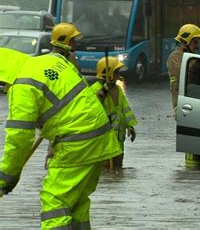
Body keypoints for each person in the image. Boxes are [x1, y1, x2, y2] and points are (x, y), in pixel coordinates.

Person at [0, 47, 122, 229]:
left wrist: (6, 177)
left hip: (76, 143)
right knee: (76, 203)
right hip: (99, 137)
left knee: (54, 203)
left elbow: (19, 137)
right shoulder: (50, 60)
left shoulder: (23, 86)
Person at [167, 23, 200, 169]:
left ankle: (199, 170)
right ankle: (191, 173)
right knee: (191, 141)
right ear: (186, 41)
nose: (197, 46)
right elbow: (187, 75)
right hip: (183, 105)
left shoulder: (190, 56)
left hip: (192, 103)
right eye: (195, 42)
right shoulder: (175, 57)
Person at [90, 56, 137, 171]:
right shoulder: (94, 90)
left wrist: (130, 126)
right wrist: (103, 92)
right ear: (109, 74)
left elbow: (125, 109)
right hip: (104, 139)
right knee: (104, 169)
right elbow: (92, 108)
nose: (118, 75)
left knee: (117, 168)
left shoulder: (118, 89)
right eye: (116, 72)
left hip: (118, 138)